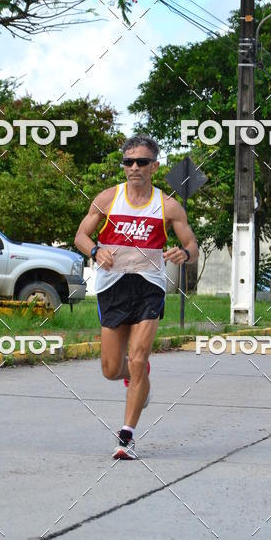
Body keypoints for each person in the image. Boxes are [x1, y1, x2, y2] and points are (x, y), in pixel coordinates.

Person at [74, 135, 198, 459]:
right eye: (128, 162)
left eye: (141, 162)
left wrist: (183, 253)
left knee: (139, 358)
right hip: (112, 286)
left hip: (149, 285)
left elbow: (192, 247)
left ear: (154, 166)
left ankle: (126, 437)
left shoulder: (168, 206)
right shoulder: (107, 199)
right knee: (112, 369)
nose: (134, 168)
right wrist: (96, 250)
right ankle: (135, 378)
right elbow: (80, 236)